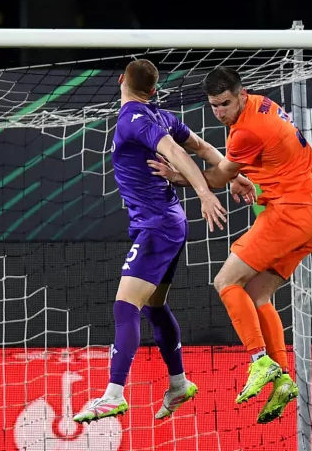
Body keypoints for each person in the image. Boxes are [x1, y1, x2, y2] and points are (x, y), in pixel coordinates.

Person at [75, 59, 251, 423]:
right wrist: (232, 177)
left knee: (126, 307)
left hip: (156, 225)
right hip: (166, 222)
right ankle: (179, 383)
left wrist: (205, 192)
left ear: (122, 80)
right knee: (154, 306)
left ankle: (113, 394)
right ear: (154, 90)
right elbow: (203, 147)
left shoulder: (133, 120)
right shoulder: (162, 115)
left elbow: (177, 152)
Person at [150, 66, 312, 424]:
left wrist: (177, 176)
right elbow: (252, 161)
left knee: (226, 281)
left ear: (242, 94)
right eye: (213, 106)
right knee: (257, 296)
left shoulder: (245, 129)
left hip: (289, 212)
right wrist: (242, 176)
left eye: (225, 104)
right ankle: (281, 381)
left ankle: (259, 360)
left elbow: (216, 176)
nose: (219, 112)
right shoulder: (262, 105)